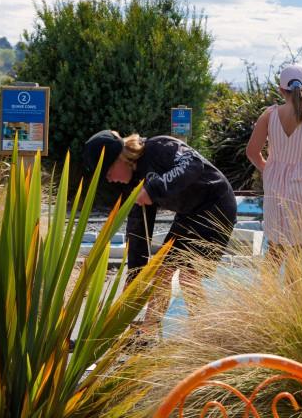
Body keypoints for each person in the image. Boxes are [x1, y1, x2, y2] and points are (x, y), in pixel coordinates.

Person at [83, 130, 236, 333]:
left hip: (216, 205)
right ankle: (148, 333)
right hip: (189, 213)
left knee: (188, 274)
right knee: (162, 272)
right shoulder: (134, 183)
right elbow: (138, 227)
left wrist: (154, 189)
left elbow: (193, 163)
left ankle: (205, 335)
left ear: (120, 158)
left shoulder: (159, 147)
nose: (109, 180)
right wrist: (135, 274)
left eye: (108, 172)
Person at [246, 65, 302, 260]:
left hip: (274, 187)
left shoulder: (269, 116)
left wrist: (268, 169)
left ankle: (269, 282)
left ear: (281, 90)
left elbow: (251, 152)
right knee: (299, 252)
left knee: (274, 251)